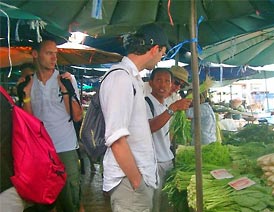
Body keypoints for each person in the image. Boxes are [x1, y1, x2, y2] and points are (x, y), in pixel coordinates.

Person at [99, 23, 169, 212]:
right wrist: (137, 181)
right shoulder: (121, 78)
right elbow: (116, 138)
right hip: (129, 183)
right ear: (155, 49)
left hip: (137, 180)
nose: (160, 58)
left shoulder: (132, 78)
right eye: (162, 53)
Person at [20, 38, 84, 212]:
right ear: (35, 54)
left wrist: (64, 90)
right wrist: (25, 96)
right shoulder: (29, 83)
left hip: (65, 147)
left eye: (55, 54)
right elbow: (28, 121)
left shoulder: (65, 80)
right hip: (41, 151)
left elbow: (78, 116)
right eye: (49, 53)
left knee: (71, 200)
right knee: (46, 202)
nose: (54, 58)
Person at [145, 68, 192, 212]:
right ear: (151, 83)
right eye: (159, 80)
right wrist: (172, 109)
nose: (163, 85)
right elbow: (149, 127)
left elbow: (168, 132)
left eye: (167, 81)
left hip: (167, 160)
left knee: (167, 204)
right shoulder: (146, 103)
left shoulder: (165, 104)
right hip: (153, 163)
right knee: (155, 204)